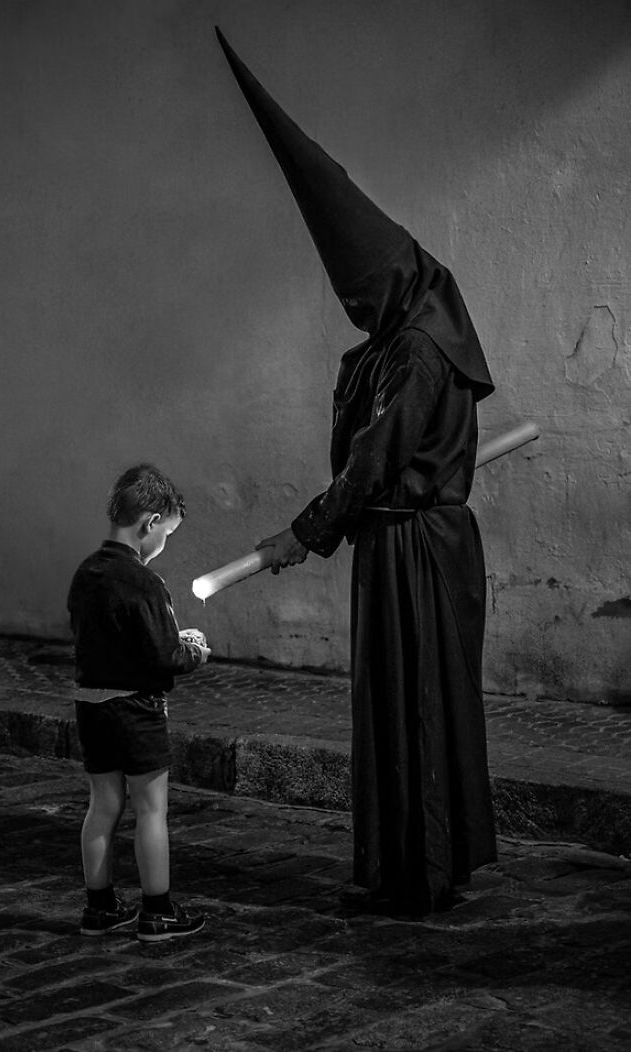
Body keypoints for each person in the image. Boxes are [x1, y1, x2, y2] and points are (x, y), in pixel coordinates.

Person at [216, 29, 498, 916]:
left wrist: (301, 534)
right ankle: (424, 867)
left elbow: (374, 459)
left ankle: (418, 876)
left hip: (413, 552)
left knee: (414, 708)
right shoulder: (413, 342)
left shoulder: (416, 353)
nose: (357, 310)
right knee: (415, 704)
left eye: (360, 293)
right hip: (416, 542)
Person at [67, 463, 210, 941]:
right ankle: (158, 910)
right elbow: (162, 657)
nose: (164, 543)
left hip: (91, 705)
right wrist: (193, 651)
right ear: (149, 523)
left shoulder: (86, 573)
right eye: (167, 533)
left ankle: (101, 906)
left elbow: (103, 640)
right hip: (136, 711)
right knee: (151, 808)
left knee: (103, 804)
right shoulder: (145, 583)